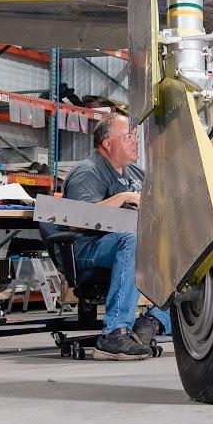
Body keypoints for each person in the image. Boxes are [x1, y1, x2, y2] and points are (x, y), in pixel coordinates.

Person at [59, 111, 165, 360]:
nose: (135, 141)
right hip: (89, 249)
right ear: (107, 143)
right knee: (131, 239)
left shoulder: (135, 174)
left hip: (136, 246)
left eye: (135, 136)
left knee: (194, 251)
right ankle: (113, 334)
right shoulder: (88, 172)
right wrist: (124, 197)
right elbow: (77, 220)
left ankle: (151, 323)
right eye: (128, 136)